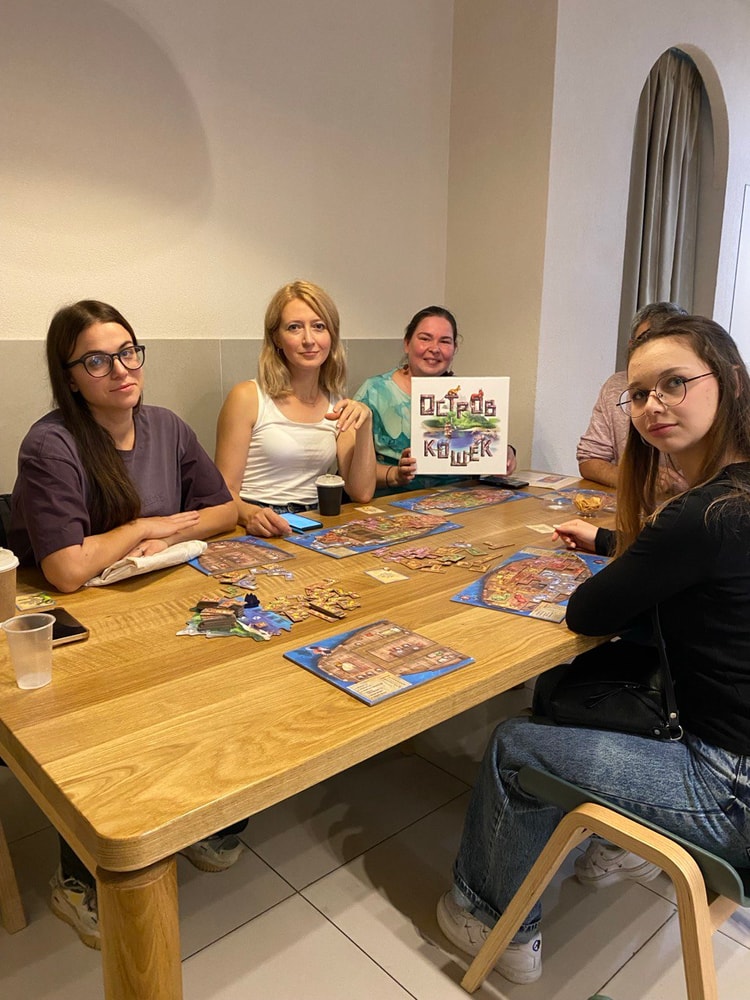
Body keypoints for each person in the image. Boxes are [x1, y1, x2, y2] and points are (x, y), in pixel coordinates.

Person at [437, 315, 750, 985]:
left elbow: (588, 611)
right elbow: (685, 566)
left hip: (728, 789)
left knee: (514, 745)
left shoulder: (701, 514)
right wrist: (610, 542)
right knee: (600, 680)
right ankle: (616, 847)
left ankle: (487, 915)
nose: (653, 405)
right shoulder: (734, 497)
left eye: (674, 383)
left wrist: (627, 551)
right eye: (638, 393)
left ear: (726, 381)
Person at [8, 300, 242, 950]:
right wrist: (142, 526)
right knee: (105, 725)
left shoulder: (165, 425)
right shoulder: (50, 443)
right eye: (96, 360)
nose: (120, 370)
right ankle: (77, 877)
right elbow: (66, 568)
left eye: (128, 351)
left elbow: (224, 510)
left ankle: (201, 815)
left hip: (154, 600)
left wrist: (167, 534)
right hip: (78, 621)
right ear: (69, 375)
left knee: (227, 668)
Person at [215, 280, 376, 536]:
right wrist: (250, 515)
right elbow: (222, 492)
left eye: (319, 326)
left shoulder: (337, 402)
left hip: (316, 522)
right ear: (277, 338)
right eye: (294, 327)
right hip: (256, 522)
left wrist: (366, 423)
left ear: (331, 336)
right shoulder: (247, 397)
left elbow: (362, 492)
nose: (309, 340)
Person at [353, 306, 517, 496]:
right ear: (407, 344)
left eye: (445, 341)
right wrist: (396, 474)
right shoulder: (374, 392)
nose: (434, 348)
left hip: (463, 500)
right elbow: (352, 470)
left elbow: (482, 443)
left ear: (454, 349)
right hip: (393, 503)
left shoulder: (467, 394)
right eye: (425, 339)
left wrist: (504, 452)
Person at [576, 301, 688, 491]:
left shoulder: (697, 390)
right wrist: (638, 480)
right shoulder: (616, 387)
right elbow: (589, 458)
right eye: (639, 395)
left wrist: (691, 490)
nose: (652, 406)